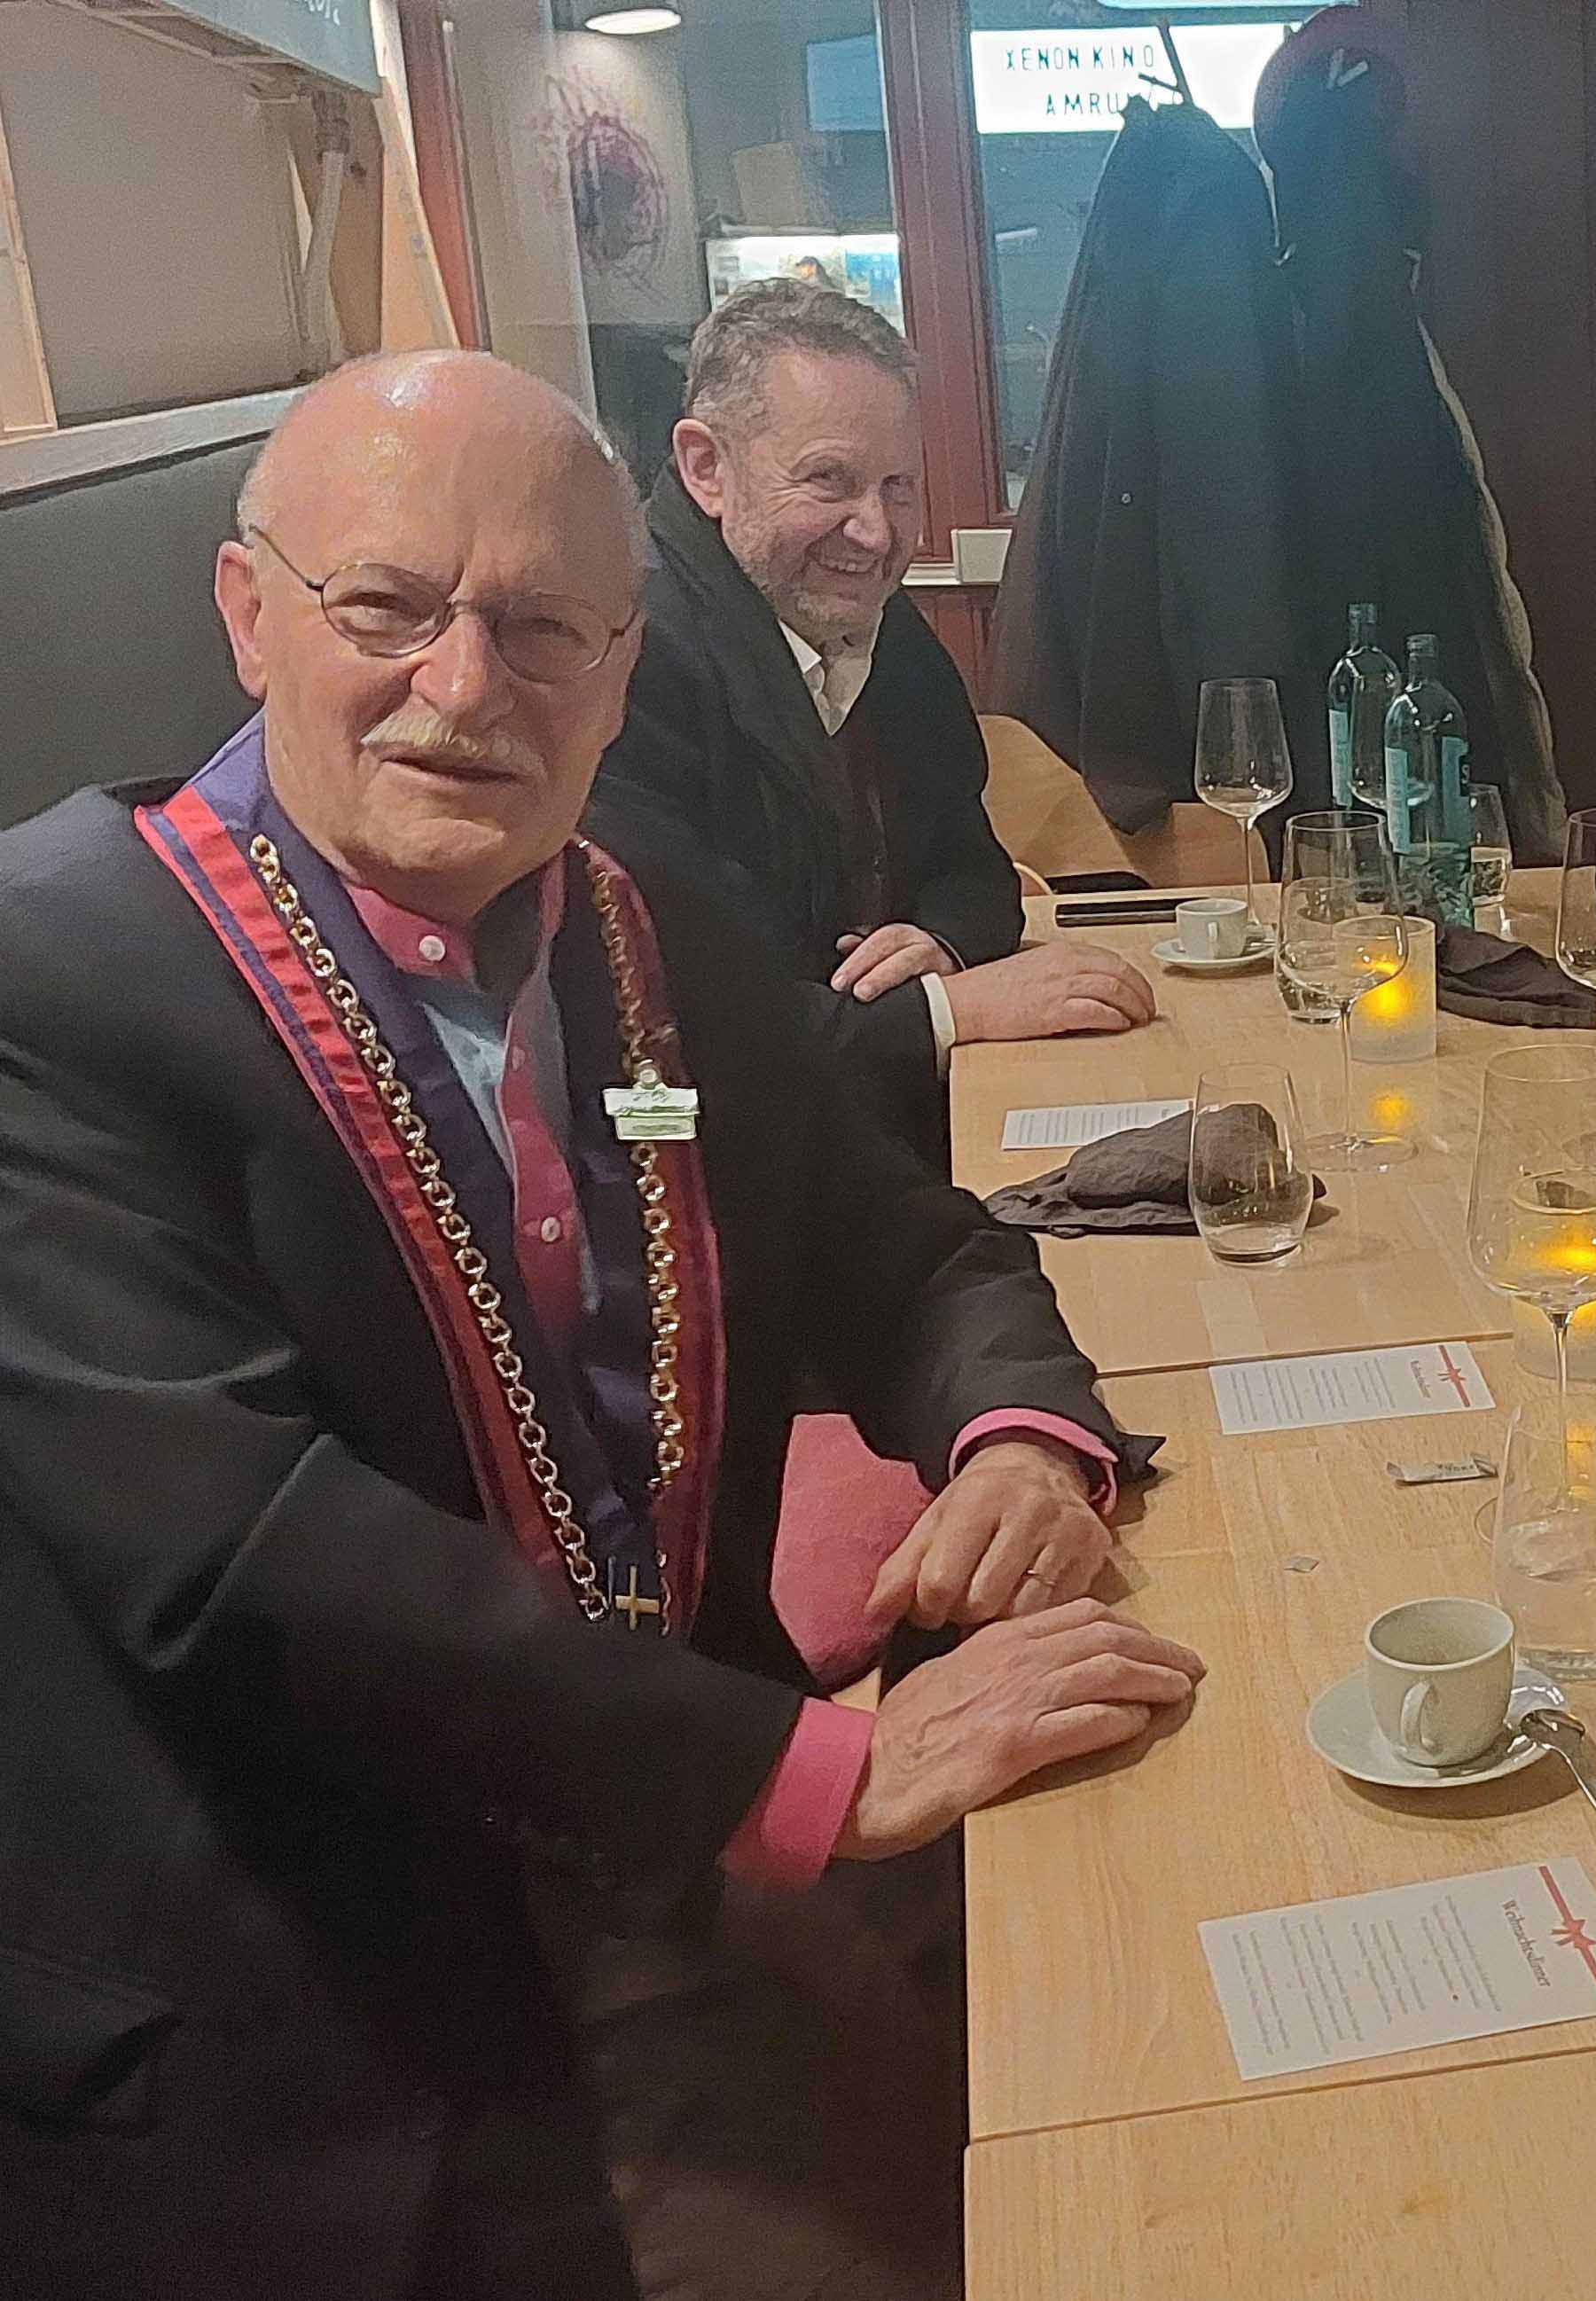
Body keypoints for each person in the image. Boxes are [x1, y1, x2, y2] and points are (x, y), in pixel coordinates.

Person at [0, 351, 1206, 2301]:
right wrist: (804, 1775)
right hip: (324, 1998)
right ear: (247, 614)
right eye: (386, 607)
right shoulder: (45, 982)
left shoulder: (648, 934)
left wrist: (1016, 1443)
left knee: (1174, 2030)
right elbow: (249, 1562)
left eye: (544, 627)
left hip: (697, 1847)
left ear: (624, 669)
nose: (467, 685)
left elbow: (910, 1250)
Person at [593, 280, 1154, 1147]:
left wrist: (940, 942)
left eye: (897, 487)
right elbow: (684, 1041)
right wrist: (948, 1011)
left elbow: (975, 872)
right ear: (706, 468)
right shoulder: (617, 666)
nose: (877, 533)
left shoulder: (881, 632)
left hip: (850, 1119)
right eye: (830, 480)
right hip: (668, 1144)